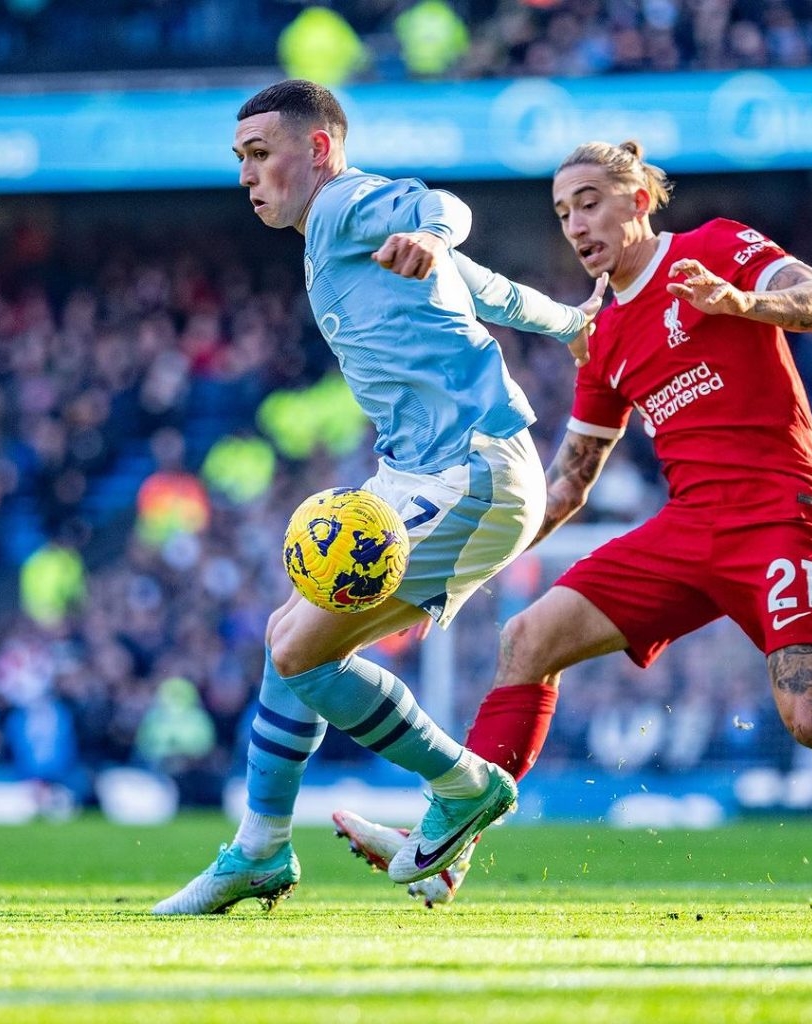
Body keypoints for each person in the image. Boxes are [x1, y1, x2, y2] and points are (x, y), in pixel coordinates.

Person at [333, 139, 812, 913]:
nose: (576, 225)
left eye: (589, 202)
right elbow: (567, 484)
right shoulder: (600, 335)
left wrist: (742, 302)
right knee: (526, 640)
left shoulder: (717, 248)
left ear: (638, 198)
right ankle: (452, 845)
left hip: (781, 517)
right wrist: (463, 569)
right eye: (563, 213)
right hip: (689, 531)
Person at [152, 80, 605, 915]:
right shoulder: (338, 241)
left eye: (261, 154)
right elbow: (487, 290)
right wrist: (573, 325)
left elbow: (443, 212)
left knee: (300, 651)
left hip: (472, 471)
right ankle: (260, 848)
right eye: (240, 160)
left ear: (317, 149)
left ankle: (465, 784)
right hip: (413, 473)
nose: (248, 175)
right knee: (286, 637)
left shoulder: (347, 205)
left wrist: (430, 234)